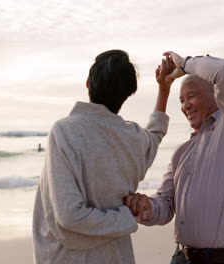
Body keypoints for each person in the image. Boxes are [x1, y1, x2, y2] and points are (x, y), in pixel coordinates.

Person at [32, 50, 175, 264]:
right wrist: (164, 88)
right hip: (117, 255)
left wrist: (126, 218)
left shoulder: (65, 131)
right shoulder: (134, 138)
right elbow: (156, 134)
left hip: (67, 257)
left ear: (88, 82)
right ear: (129, 94)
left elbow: (70, 216)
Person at [125, 51, 224, 264]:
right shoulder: (182, 152)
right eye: (181, 100)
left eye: (191, 96)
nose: (185, 105)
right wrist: (146, 207)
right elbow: (166, 205)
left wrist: (185, 64)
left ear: (216, 94)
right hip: (182, 258)